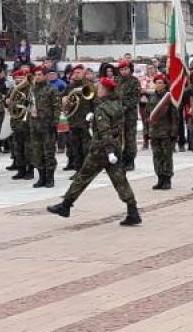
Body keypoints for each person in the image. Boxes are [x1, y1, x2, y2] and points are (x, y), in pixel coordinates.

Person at [47, 77, 142, 226]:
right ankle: (133, 211)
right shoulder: (117, 103)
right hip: (114, 148)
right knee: (120, 180)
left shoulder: (102, 108)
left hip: (101, 150)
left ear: (105, 90)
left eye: (100, 88)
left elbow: (105, 131)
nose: (98, 90)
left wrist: (108, 151)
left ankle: (65, 206)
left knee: (82, 177)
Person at [29, 65, 60, 188]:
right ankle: (41, 177)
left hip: (47, 125)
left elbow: (57, 107)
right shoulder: (32, 90)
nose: (37, 77)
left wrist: (55, 122)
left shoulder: (52, 89)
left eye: (39, 75)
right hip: (34, 125)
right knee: (37, 152)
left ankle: (50, 178)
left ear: (45, 76)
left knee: (48, 152)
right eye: (35, 75)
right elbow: (29, 104)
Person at [147, 73, 178, 190]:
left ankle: (167, 179)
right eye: (157, 83)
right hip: (154, 132)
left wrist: (174, 132)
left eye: (161, 83)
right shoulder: (152, 98)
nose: (158, 85)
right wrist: (146, 131)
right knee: (157, 156)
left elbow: (175, 116)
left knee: (166, 156)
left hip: (166, 132)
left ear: (165, 85)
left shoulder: (169, 98)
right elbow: (148, 115)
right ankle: (159, 178)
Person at [62, 65, 93, 177]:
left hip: (85, 122)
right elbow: (63, 98)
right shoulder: (70, 86)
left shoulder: (89, 86)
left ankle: (86, 170)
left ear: (84, 73)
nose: (76, 74)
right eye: (74, 73)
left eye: (79, 72)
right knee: (76, 147)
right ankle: (78, 169)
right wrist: (64, 99)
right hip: (73, 121)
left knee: (86, 147)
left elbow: (95, 103)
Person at [7, 68, 35, 181]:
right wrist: (8, 101)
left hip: (28, 123)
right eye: (18, 78)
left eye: (22, 78)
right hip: (16, 122)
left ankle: (30, 170)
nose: (20, 80)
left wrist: (28, 104)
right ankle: (21, 169)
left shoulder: (32, 89)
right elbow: (7, 102)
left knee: (28, 148)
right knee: (17, 148)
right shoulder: (13, 90)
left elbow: (35, 104)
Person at [116, 60, 140, 171]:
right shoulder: (116, 81)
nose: (123, 71)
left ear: (130, 69)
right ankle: (120, 160)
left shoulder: (134, 81)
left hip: (130, 114)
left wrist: (125, 107)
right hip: (118, 114)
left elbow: (135, 98)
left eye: (125, 69)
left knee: (130, 137)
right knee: (118, 137)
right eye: (121, 69)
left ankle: (130, 160)